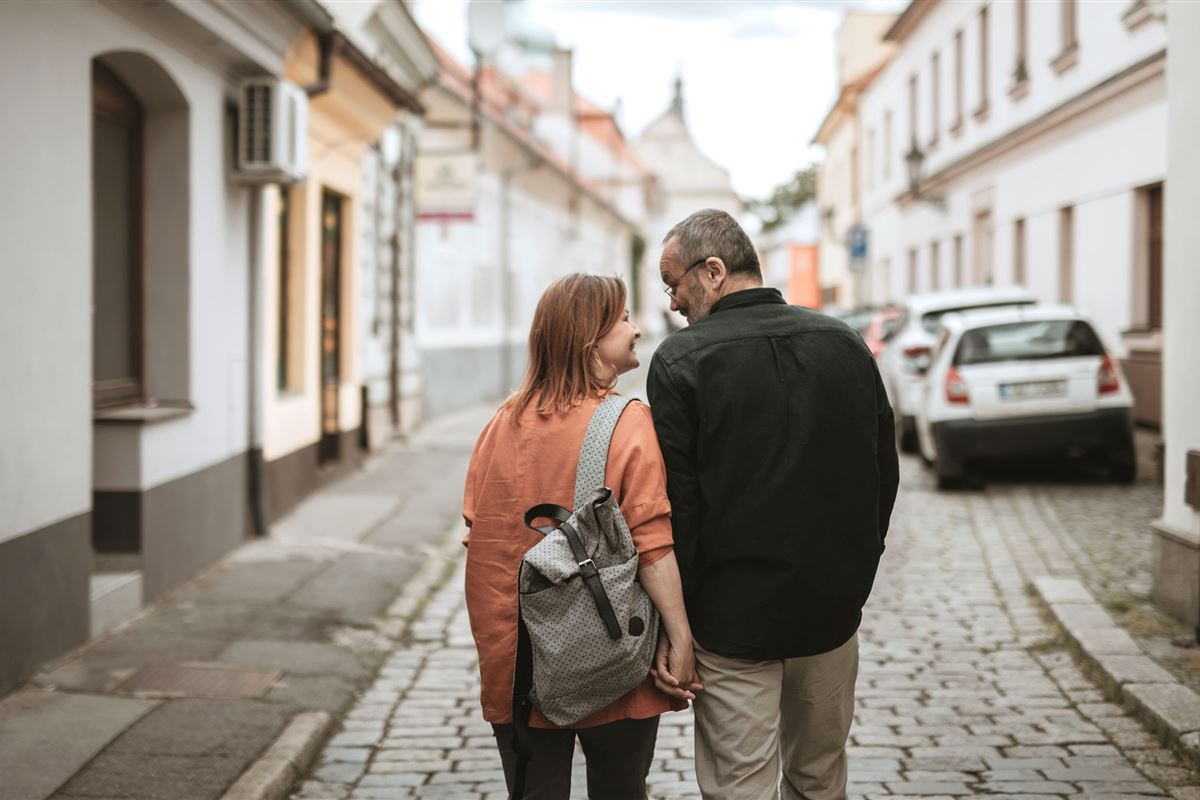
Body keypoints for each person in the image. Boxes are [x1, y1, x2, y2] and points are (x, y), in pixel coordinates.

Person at [647, 209, 900, 800]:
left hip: (733, 622)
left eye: (674, 283)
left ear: (712, 271)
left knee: (740, 788)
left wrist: (678, 625)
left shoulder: (680, 361)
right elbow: (882, 476)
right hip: (831, 612)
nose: (673, 301)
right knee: (819, 779)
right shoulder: (844, 343)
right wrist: (856, 572)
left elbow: (678, 506)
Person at [462, 273, 699, 800]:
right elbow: (652, 543)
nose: (637, 328)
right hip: (609, 650)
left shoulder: (501, 423)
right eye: (623, 318)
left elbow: (482, 536)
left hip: (521, 658)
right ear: (590, 339)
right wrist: (680, 636)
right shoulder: (628, 422)